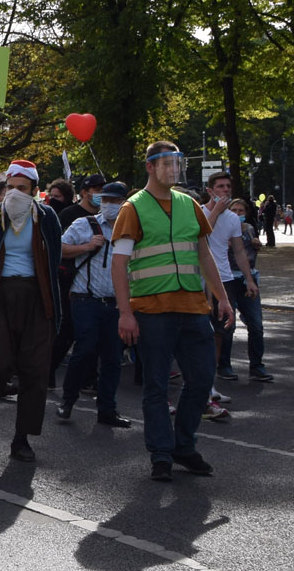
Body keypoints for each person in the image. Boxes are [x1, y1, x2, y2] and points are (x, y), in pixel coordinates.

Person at [112, 141, 236, 481]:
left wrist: (222, 298)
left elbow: (204, 254)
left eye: (176, 162)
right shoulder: (132, 208)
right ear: (150, 167)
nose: (173, 169)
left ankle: (183, 444)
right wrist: (125, 313)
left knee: (201, 379)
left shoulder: (190, 205)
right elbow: (119, 263)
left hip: (194, 308)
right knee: (155, 385)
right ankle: (162, 453)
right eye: (166, 163)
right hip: (152, 311)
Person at [0, 161, 64, 461]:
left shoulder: (47, 218)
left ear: (35, 191)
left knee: (35, 371)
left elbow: (54, 259)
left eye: (22, 189)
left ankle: (22, 439)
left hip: (36, 298)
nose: (15, 194)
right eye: (10, 188)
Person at [56, 180, 131, 427]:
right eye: (105, 199)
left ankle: (107, 410)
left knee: (112, 357)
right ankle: (67, 401)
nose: (109, 204)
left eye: (115, 201)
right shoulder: (84, 224)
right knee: (85, 350)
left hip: (116, 303)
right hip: (85, 300)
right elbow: (59, 248)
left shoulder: (131, 230)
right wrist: (87, 246)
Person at [204, 172, 267, 384]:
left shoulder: (232, 219)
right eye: (220, 187)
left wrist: (249, 279)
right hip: (200, 279)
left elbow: (240, 252)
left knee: (222, 329)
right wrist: (216, 212)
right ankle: (205, 375)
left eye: (228, 187)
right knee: (201, 328)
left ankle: (216, 371)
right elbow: (200, 236)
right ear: (210, 191)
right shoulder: (199, 212)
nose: (225, 191)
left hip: (225, 277)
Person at [219, 196, 271, 383]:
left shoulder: (248, 228)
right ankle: (223, 365)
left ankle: (257, 366)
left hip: (248, 279)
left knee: (256, 324)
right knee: (227, 325)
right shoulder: (221, 227)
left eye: (241, 211)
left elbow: (248, 252)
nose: (237, 214)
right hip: (228, 279)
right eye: (234, 211)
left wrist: (257, 245)